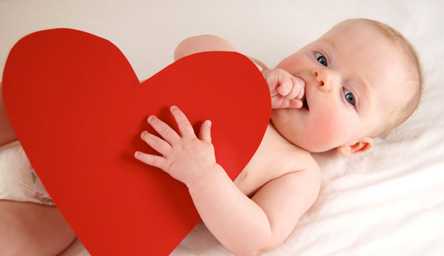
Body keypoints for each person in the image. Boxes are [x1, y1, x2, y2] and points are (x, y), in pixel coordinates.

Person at [0, 18, 422, 255]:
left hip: (85, 201)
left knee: (28, 240)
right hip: (73, 127)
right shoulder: (245, 75)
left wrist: (205, 177)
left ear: (355, 145)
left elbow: (257, 235)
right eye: (322, 56)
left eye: (350, 95)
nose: (322, 78)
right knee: (24, 100)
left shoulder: (296, 171)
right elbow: (191, 46)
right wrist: (250, 78)